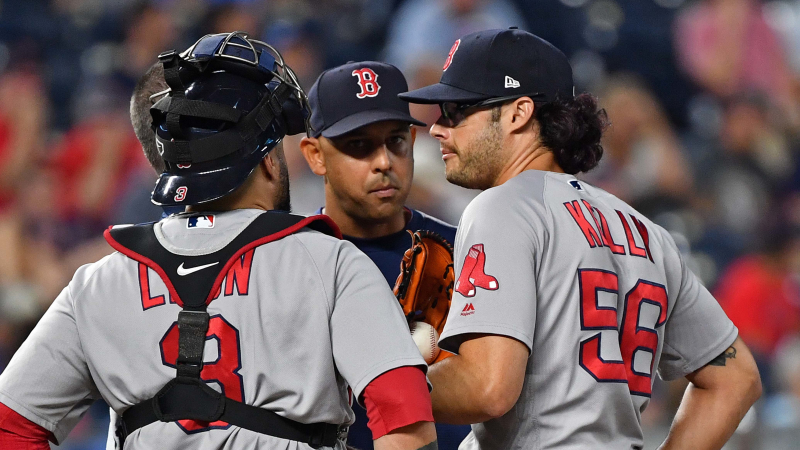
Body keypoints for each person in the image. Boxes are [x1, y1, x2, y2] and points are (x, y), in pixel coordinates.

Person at [0, 32, 438, 450]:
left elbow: (10, 425)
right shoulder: (330, 263)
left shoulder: (98, 282)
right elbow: (404, 419)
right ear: (268, 160)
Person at [399, 27, 762, 449]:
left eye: (456, 110)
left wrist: (379, 381)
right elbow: (736, 377)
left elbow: (487, 387)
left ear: (518, 113)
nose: (438, 128)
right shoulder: (647, 232)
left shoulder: (504, 207)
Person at [299, 61, 469, 449]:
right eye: (358, 145)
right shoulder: (289, 262)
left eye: (395, 142)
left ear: (412, 139)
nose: (384, 162)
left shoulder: (466, 250)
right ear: (315, 155)